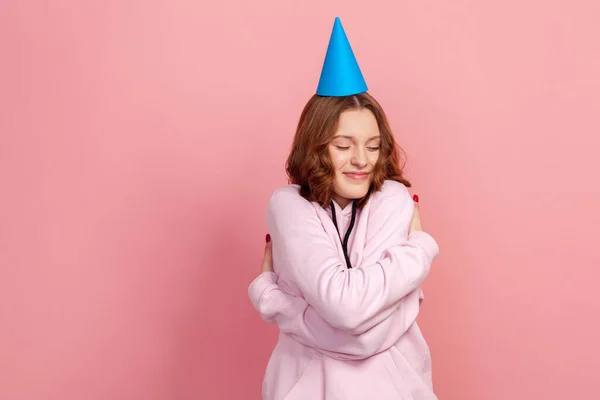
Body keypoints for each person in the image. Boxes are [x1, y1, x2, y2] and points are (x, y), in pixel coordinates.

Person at [248, 17, 440, 400]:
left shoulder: (392, 199)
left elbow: (358, 330)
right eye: (342, 145)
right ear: (315, 146)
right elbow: (351, 314)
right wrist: (416, 259)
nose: (361, 161)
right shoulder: (289, 206)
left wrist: (277, 303)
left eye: (372, 146)